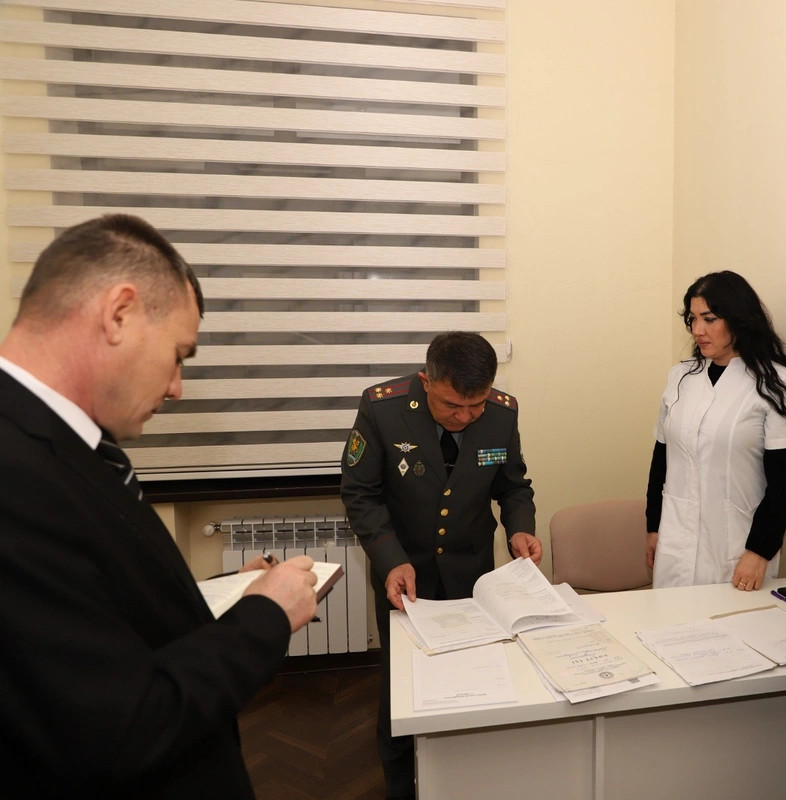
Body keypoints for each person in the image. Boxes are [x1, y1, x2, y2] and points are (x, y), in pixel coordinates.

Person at [0, 214, 319, 798]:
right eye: (179, 354)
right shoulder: (14, 472)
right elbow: (117, 728)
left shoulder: (63, 443)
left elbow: (92, 613)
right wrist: (266, 615)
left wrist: (221, 594)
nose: (177, 387)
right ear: (119, 313)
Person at [340, 331, 540, 800]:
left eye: (476, 405)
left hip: (473, 574)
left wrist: (520, 528)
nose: (465, 417)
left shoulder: (502, 412)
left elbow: (513, 486)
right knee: (402, 688)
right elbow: (360, 493)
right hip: (404, 574)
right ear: (426, 381)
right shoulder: (382, 409)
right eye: (453, 405)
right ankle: (400, 784)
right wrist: (390, 560)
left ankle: (466, 777)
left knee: (475, 678)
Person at [645, 270, 786, 591]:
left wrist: (759, 550)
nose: (698, 330)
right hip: (675, 540)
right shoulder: (680, 378)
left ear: (738, 319)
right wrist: (653, 526)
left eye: (709, 319)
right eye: (692, 319)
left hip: (738, 549)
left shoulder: (775, 384)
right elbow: (661, 457)